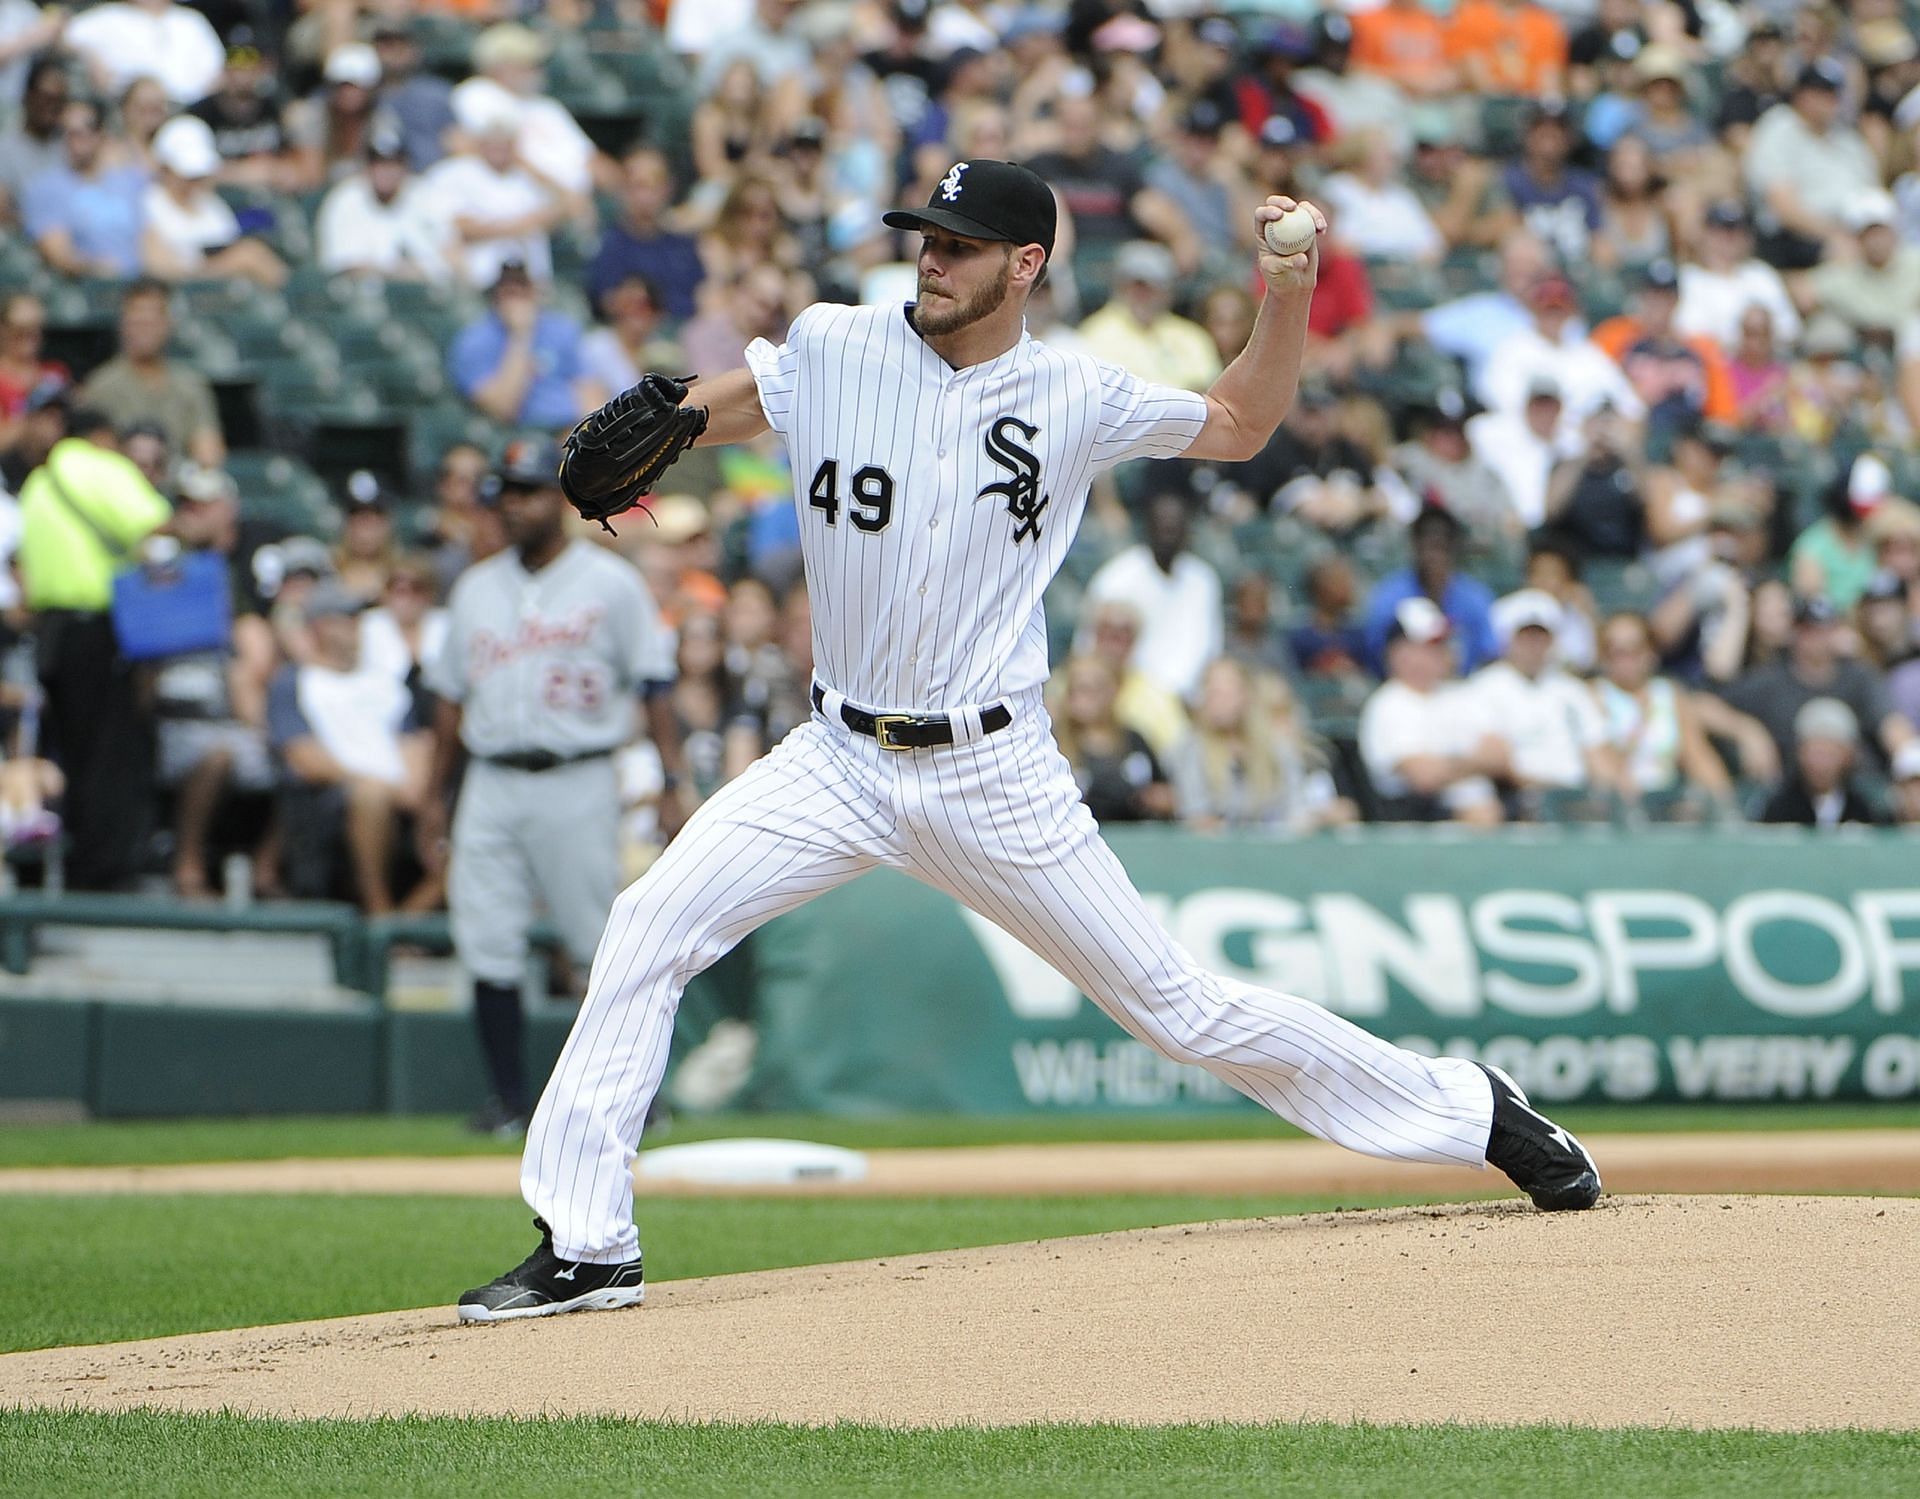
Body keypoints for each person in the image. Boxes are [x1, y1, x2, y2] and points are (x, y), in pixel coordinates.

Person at [458, 164, 1599, 1322]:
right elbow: (729, 401)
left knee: (1178, 1009)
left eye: (957, 242)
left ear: (1025, 265)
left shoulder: (1077, 392)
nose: (931, 258)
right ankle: (589, 1240)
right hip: (836, 755)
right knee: (650, 922)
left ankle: (1470, 1109)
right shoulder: (835, 344)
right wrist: (676, 420)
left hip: (990, 769)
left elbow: (1244, 422)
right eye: (923, 236)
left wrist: (1287, 284)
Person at [419, 437, 685, 1138]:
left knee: (597, 941)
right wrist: (431, 794)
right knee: (486, 937)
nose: (515, 504)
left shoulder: (610, 581)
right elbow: (448, 700)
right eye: (506, 490)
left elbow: (655, 681)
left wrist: (672, 778)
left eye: (530, 490)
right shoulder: (475, 587)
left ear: (562, 500)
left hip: (579, 775)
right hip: (491, 778)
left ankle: (630, 1096)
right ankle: (508, 1097)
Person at [15, 398, 173, 890]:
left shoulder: (38, 483)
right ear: (103, 437)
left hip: (52, 634)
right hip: (98, 629)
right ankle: (106, 871)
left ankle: (76, 860)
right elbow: (157, 523)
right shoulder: (101, 468)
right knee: (111, 752)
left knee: (73, 751)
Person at [267, 580, 434, 912]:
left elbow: (414, 742)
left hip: (399, 793)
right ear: (319, 626)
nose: (358, 627)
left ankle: (408, 920)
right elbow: (304, 758)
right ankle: (379, 910)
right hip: (332, 799)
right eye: (346, 618)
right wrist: (380, 787)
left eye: (359, 618)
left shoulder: (386, 680)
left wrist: (416, 791)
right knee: (370, 798)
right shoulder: (294, 682)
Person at [1463, 590, 1618, 818]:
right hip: (1520, 802)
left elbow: (1598, 753)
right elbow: (1499, 762)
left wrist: (1609, 795)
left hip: (1578, 801)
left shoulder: (1572, 690)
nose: (1533, 645)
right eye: (1525, 636)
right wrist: (1554, 796)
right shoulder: (1484, 687)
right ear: (1507, 638)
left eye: (1541, 636)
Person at [1359, 596, 1506, 826]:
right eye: (1428, 645)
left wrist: (1447, 767)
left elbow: (1502, 757)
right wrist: (1475, 763)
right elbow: (1423, 777)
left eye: (1441, 644)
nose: (1441, 653)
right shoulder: (1388, 704)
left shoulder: (1461, 695)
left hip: (1481, 816)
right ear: (1398, 653)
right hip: (1421, 823)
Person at [1172, 658, 1351, 833]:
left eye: (1226, 693)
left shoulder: (1275, 748)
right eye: (1212, 693)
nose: (1219, 702)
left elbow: (1295, 808)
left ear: (1245, 695)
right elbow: (1195, 816)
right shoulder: (1191, 749)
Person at [1591, 610, 1739, 821]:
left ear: (1650, 651)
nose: (1626, 659)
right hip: (1617, 809)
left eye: (1635, 649)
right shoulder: (1594, 696)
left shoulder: (1670, 695)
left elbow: (1697, 754)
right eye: (1615, 650)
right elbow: (1601, 759)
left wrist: (1725, 805)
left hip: (1666, 806)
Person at [1080, 492, 1222, 702]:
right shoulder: (1116, 578)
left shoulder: (1204, 580)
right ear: (1148, 527)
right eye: (1163, 526)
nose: (1169, 533)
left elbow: (1211, 650)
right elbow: (1088, 649)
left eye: (1175, 527)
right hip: (1125, 700)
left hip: (1189, 702)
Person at [79, 279, 224, 469]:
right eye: (138, 321)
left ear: (168, 323)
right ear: (123, 324)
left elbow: (208, 452)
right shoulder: (101, 386)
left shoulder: (190, 384)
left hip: (176, 487)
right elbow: (93, 456)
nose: (145, 330)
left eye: (152, 321)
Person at [448, 261, 605, 431]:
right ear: (495, 294)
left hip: (570, 428)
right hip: (520, 433)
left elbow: (589, 389)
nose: (517, 298)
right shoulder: (474, 341)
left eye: (523, 288)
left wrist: (592, 435)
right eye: (509, 291)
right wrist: (520, 336)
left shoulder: (562, 328)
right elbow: (503, 409)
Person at [139, 115, 288, 287]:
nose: (194, 182)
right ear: (165, 168)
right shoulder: (149, 204)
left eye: (199, 176)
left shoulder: (210, 204)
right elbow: (160, 268)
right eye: (188, 175)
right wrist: (236, 263)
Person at [1361, 504, 1500, 676]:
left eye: (1442, 547)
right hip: (1406, 689)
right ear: (1415, 547)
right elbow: (1375, 655)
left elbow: (1490, 654)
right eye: (1429, 547)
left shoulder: (1475, 597)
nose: (1435, 556)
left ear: (1454, 549)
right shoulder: (1389, 596)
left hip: (1463, 690)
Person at [20, 96, 147, 279]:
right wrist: (99, 268)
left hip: (139, 287)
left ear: (100, 134)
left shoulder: (126, 181)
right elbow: (58, 254)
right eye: (68, 131)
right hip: (87, 288)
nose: (75, 139)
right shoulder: (47, 188)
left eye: (85, 129)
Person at [1075, 241, 1223, 393]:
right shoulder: (1094, 333)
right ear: (1119, 286)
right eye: (1135, 286)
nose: (1142, 295)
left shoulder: (1191, 335)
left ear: (1168, 291)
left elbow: (1207, 387)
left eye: (1151, 287)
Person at [1048, 653, 1174, 825]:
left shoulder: (1133, 740)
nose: (1085, 697)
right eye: (1078, 688)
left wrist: (1157, 799)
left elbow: (1167, 795)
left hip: (1138, 840)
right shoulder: (1054, 744)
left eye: (1095, 688)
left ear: (1114, 689)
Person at [315, 126, 449, 281]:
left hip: (424, 292)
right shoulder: (346, 198)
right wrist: (399, 272)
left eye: (393, 163)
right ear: (366, 166)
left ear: (405, 166)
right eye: (378, 163)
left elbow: (451, 252)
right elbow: (346, 266)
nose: (386, 171)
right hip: (365, 296)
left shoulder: (423, 194)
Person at [1759, 698, 1890, 827]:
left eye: (1830, 754)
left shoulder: (1862, 810)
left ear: (1848, 756)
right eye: (1815, 753)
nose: (1821, 764)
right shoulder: (1780, 809)